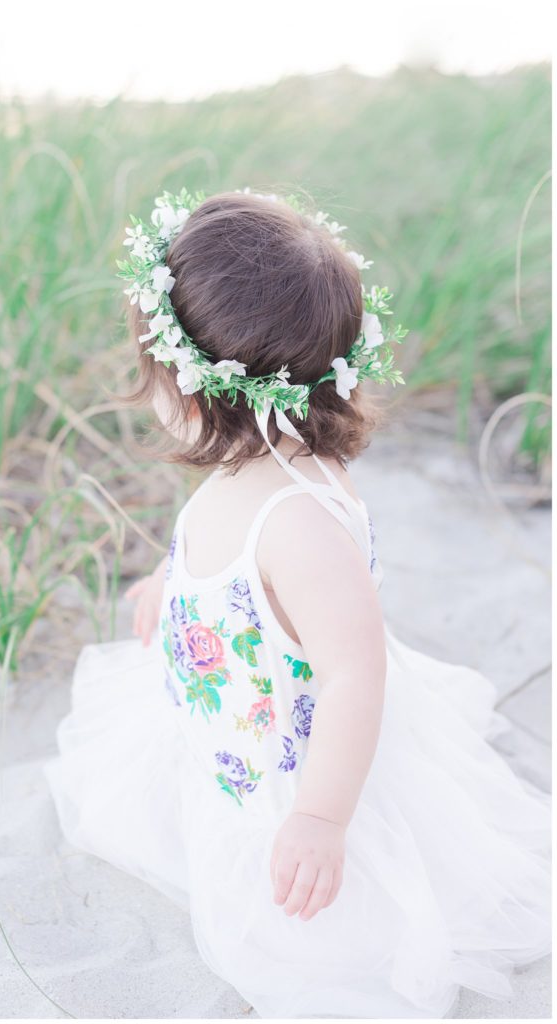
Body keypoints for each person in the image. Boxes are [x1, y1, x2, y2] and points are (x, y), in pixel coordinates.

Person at [44, 188, 551, 1019]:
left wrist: (318, 817)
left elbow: (354, 673)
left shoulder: (297, 521)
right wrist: (172, 583)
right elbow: (228, 562)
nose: (147, 391)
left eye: (152, 372)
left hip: (294, 765)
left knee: (307, 944)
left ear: (201, 383)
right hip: (230, 720)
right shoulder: (259, 461)